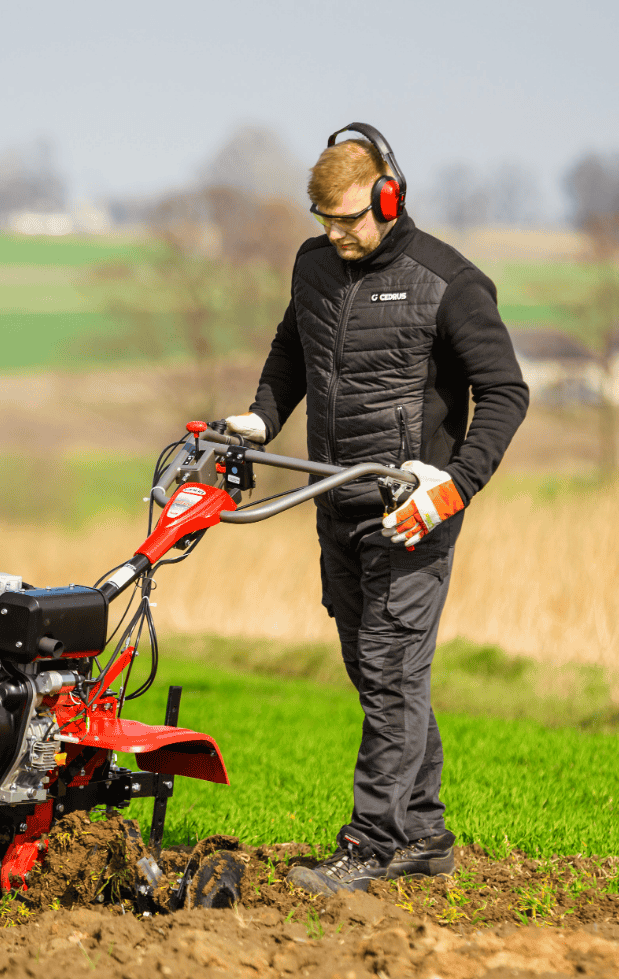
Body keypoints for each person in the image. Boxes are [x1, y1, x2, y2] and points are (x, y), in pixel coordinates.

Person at [219, 122, 530, 894]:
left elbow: (506, 393)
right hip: (336, 500)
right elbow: (293, 346)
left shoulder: (448, 282)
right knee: (375, 672)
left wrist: (453, 484)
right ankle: (423, 831)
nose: (338, 235)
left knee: (391, 673)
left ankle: (370, 843)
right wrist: (264, 415)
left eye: (352, 219)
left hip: (411, 512)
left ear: (389, 198)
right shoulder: (314, 266)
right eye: (325, 221)